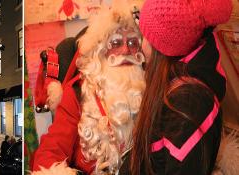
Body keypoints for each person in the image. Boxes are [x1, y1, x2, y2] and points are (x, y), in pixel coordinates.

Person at [32, 1, 146, 174]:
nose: (125, 50)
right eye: (116, 43)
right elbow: (50, 152)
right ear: (101, 51)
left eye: (132, 43)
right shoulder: (77, 93)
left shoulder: (152, 88)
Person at [120, 0, 231, 174]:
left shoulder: (190, 106)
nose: (142, 46)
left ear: (166, 47)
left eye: (148, 38)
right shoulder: (171, 82)